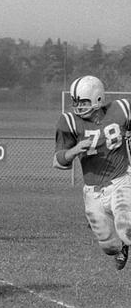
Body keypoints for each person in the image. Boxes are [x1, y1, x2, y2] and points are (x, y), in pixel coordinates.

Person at [55, 75, 131, 270]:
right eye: (76, 102)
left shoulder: (120, 109)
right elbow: (57, 161)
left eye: (83, 101)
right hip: (92, 191)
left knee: (126, 226)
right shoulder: (69, 121)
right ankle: (121, 249)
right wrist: (74, 150)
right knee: (109, 246)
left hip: (121, 180)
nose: (78, 106)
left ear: (98, 99)